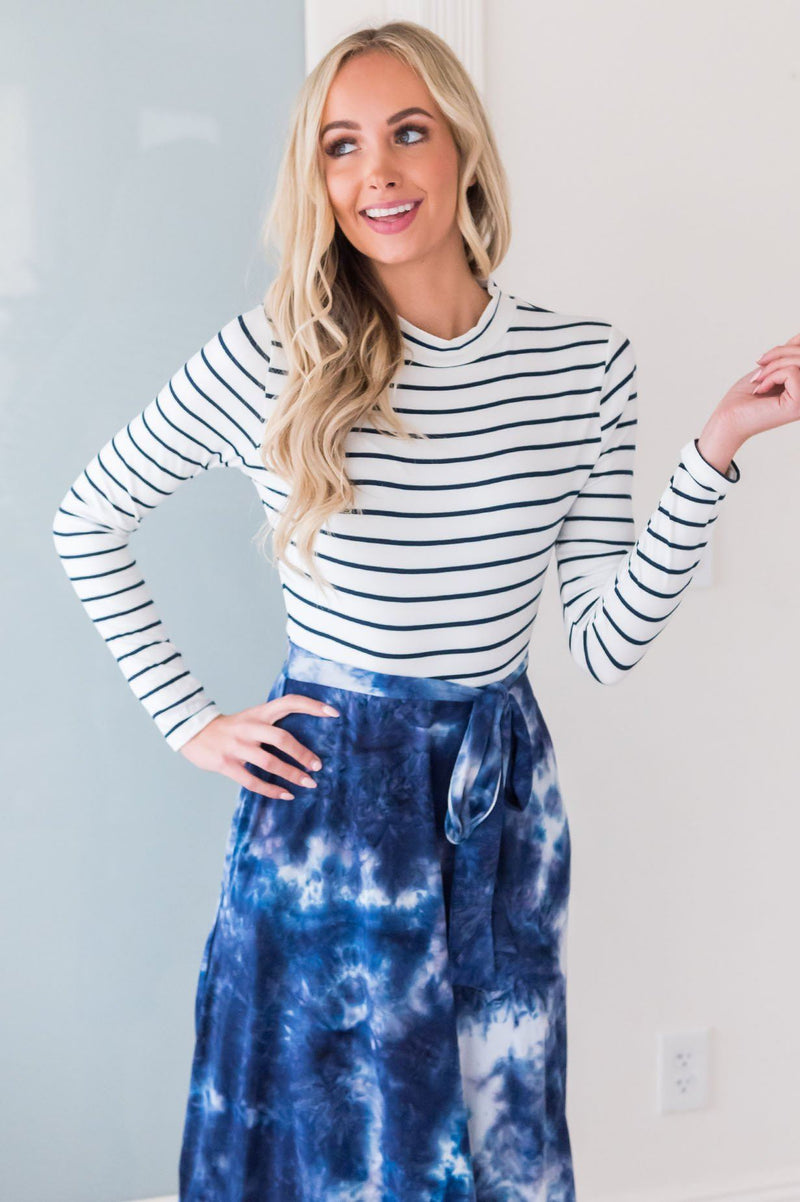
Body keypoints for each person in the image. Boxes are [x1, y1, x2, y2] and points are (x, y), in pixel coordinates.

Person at [51, 19, 799, 1202]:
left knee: (497, 1139)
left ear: (460, 147)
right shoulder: (272, 356)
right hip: (330, 802)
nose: (377, 173)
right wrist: (188, 719)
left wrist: (714, 448)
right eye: (341, 147)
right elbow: (86, 519)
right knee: (331, 1150)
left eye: (407, 132)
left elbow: (604, 640)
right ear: (317, 180)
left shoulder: (581, 364)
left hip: (499, 800)